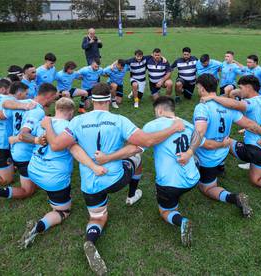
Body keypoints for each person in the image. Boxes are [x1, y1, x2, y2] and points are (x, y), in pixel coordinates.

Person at [41, 83, 185, 275]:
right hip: (115, 179)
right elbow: (148, 141)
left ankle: (90, 240)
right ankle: (132, 195)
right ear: (109, 99)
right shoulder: (119, 120)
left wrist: (48, 125)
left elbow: (57, 145)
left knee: (97, 217)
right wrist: (174, 127)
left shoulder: (76, 121)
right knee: (136, 157)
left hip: (90, 183)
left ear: (92, 101)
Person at [96, 97, 199, 247]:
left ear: (159, 110)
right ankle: (176, 199)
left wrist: (108, 157)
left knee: (165, 211)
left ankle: (181, 221)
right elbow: (199, 137)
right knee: (177, 191)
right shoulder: (186, 124)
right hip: (193, 179)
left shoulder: (153, 125)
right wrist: (190, 153)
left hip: (169, 184)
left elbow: (134, 149)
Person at [18, 97, 104, 248]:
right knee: (63, 211)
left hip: (34, 170)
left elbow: (24, 136)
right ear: (71, 112)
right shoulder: (70, 128)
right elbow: (77, 150)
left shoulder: (43, 122)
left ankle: (50, 198)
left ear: (57, 109)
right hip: (53, 178)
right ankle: (38, 226)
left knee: (49, 187)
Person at [179, 74, 261, 217]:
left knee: (206, 188)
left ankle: (235, 198)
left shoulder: (202, 107)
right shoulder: (227, 104)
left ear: (201, 88)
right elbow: (250, 125)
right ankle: (220, 167)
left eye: (198, 87)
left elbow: (200, 132)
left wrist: (189, 151)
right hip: (224, 151)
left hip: (209, 157)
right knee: (222, 142)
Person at [203, 75, 261, 207]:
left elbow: (235, 104)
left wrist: (214, 97)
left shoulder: (251, 103)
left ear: (248, 87)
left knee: (224, 141)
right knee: (256, 180)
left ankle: (219, 168)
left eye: (241, 87)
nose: (239, 90)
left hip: (253, 149)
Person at [0, 83, 58, 212]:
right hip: (24, 154)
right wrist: (37, 140)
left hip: (14, 149)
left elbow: (3, 108)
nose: (54, 101)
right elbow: (23, 134)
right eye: (54, 98)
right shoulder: (37, 111)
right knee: (27, 191)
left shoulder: (22, 102)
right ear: (49, 96)